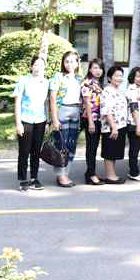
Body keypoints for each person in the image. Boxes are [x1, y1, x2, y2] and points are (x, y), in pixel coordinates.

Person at [13, 55, 50, 191]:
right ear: (31, 66)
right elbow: (17, 103)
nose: (38, 68)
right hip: (26, 120)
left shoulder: (46, 83)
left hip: (40, 120)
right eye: (36, 65)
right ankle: (23, 179)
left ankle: (34, 178)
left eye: (41, 65)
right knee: (24, 151)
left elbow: (46, 103)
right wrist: (18, 123)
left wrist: (48, 121)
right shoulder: (23, 80)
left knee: (36, 151)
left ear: (44, 68)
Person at [49, 50, 83, 188]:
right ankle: (60, 175)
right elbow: (52, 98)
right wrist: (54, 119)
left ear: (77, 63)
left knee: (71, 144)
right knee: (61, 145)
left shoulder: (79, 78)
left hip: (76, 111)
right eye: (67, 61)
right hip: (62, 110)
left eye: (72, 61)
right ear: (63, 63)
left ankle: (66, 174)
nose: (69, 64)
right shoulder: (58, 77)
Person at [99, 65, 128, 184]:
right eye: (116, 76)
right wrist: (114, 127)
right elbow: (106, 110)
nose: (119, 78)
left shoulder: (118, 91)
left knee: (114, 152)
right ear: (110, 78)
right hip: (111, 127)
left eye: (121, 76)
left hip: (120, 126)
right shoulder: (107, 91)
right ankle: (110, 176)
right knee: (109, 152)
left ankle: (112, 174)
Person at [80, 59, 105, 185]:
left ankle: (90, 173)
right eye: (95, 68)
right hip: (91, 119)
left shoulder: (98, 83)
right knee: (91, 147)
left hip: (98, 119)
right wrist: (90, 122)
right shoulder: (87, 83)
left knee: (94, 147)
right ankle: (91, 175)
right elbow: (87, 104)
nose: (98, 70)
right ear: (90, 69)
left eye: (100, 68)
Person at [125, 67, 140, 181]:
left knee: (136, 148)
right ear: (132, 77)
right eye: (137, 76)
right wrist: (138, 125)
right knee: (134, 149)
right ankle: (133, 172)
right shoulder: (132, 90)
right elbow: (134, 108)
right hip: (134, 123)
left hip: (139, 123)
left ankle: (134, 171)